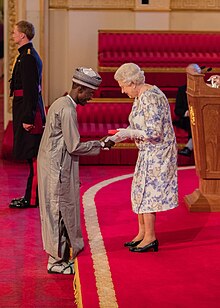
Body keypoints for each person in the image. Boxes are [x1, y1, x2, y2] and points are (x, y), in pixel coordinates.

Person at [37, 67, 115, 274]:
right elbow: (74, 146)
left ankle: (60, 258)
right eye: (90, 94)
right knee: (58, 211)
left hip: (52, 164)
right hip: (57, 168)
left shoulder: (60, 102)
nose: (91, 98)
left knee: (58, 211)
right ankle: (55, 262)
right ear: (80, 89)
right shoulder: (68, 109)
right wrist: (100, 145)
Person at [106, 63, 178, 253]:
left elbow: (154, 132)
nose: (122, 91)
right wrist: (118, 136)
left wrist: (128, 132)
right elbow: (137, 128)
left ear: (133, 82)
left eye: (123, 86)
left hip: (157, 152)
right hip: (147, 152)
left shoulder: (150, 97)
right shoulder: (140, 96)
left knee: (148, 193)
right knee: (139, 190)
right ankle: (142, 233)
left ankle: (150, 237)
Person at [9, 20, 46, 208]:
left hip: (29, 111)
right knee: (30, 157)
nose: (13, 35)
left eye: (15, 32)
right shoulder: (25, 55)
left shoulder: (29, 57)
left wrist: (28, 117)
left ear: (23, 35)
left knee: (34, 158)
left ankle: (32, 199)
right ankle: (29, 197)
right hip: (24, 107)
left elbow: (31, 90)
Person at [174, 63, 201, 156]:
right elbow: (177, 110)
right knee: (195, 122)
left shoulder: (205, 88)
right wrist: (187, 113)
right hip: (187, 120)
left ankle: (188, 147)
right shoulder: (182, 90)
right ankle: (189, 147)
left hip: (204, 118)